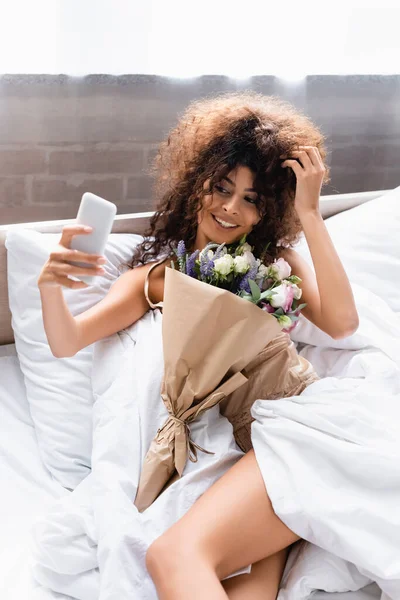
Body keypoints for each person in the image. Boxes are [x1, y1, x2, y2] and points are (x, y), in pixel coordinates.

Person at [37, 91, 359, 599]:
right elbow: (67, 340)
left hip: (298, 424)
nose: (230, 209)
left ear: (267, 210)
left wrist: (311, 214)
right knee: (238, 579)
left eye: (251, 199)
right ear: (197, 186)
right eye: (222, 188)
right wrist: (49, 287)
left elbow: (341, 324)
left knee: (175, 558)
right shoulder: (160, 278)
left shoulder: (277, 266)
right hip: (239, 445)